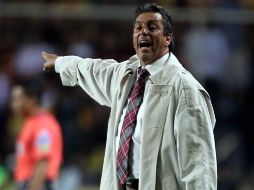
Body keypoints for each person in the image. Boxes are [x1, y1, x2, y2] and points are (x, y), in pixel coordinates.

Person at [42, 3, 217, 190]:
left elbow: (199, 166)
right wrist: (60, 63)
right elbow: (92, 70)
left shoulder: (184, 89)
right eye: (138, 27)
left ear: (168, 38)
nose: (143, 32)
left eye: (152, 27)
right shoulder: (127, 75)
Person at [10, 79, 63, 190]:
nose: (14, 104)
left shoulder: (43, 125)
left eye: (18, 99)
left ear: (32, 99)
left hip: (38, 184)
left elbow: (43, 162)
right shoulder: (30, 122)